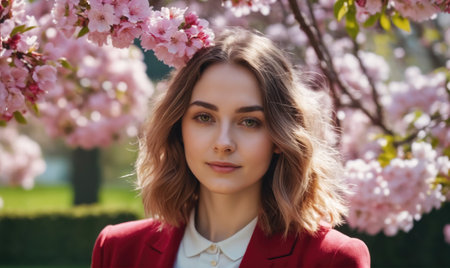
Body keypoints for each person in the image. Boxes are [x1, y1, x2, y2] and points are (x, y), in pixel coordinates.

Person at [91, 27, 370, 268]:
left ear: (280, 137)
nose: (223, 142)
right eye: (204, 117)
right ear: (179, 128)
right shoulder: (117, 250)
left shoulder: (332, 259)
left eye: (249, 122)